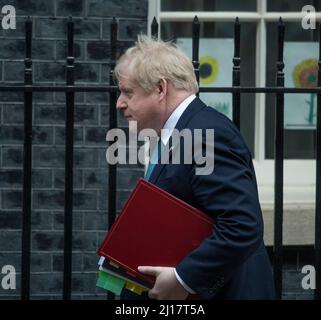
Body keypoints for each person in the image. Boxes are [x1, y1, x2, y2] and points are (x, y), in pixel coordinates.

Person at [114, 34, 275, 300]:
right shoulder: (183, 133)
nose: (119, 102)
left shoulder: (204, 135)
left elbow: (242, 224)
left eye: (127, 92)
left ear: (160, 89)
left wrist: (183, 279)